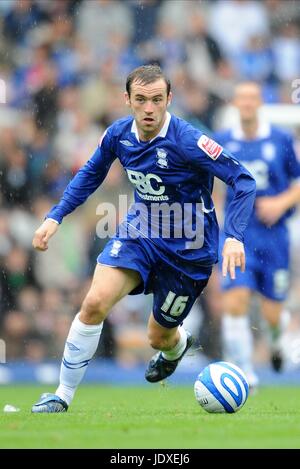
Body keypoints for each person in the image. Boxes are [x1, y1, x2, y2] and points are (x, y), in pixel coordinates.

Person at [31, 65, 256, 413]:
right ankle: (61, 396)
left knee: (158, 336)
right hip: (141, 233)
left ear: (169, 99)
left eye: (156, 100)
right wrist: (55, 215)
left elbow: (243, 179)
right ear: (127, 100)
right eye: (140, 100)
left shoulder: (189, 140)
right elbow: (90, 174)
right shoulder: (118, 135)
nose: (149, 108)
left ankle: (175, 347)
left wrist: (234, 237)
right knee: (93, 303)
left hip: (190, 249)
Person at [215, 81, 300, 388]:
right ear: (235, 104)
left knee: (272, 313)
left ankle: (277, 341)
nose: (247, 103)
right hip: (239, 237)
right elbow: (210, 184)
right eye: (242, 98)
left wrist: (280, 202)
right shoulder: (223, 141)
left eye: (252, 98)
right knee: (235, 300)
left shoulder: (280, 140)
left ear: (260, 103)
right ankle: (244, 373)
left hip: (274, 238)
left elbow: (298, 183)